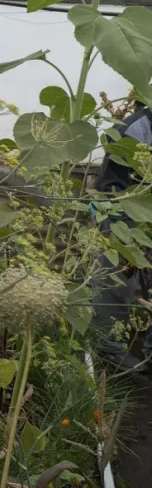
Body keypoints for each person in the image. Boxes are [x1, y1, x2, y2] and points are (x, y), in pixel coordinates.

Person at [92, 99, 152, 374]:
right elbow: (112, 185)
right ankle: (109, 351)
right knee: (114, 278)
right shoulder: (138, 127)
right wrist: (124, 232)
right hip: (122, 210)